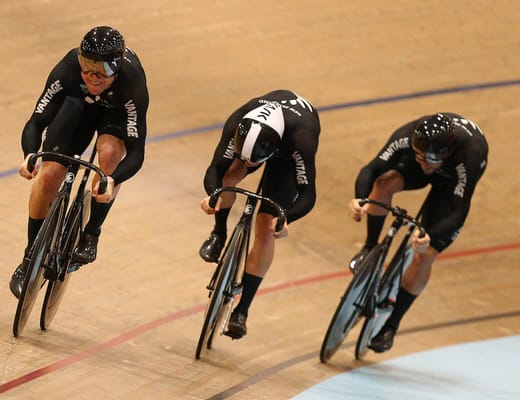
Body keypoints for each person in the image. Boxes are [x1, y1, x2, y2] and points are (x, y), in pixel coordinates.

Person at [9, 26, 149, 298]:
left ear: (117, 67)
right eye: (87, 66)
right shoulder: (68, 70)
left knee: (108, 154)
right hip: (79, 107)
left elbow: (136, 152)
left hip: (115, 116)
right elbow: (37, 120)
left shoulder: (132, 83)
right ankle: (29, 258)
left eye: (102, 70)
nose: (93, 76)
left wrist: (113, 180)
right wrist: (30, 153)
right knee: (49, 175)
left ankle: (91, 233)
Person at [348, 112, 488, 352]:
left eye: (429, 162)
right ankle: (369, 248)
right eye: (419, 157)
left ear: (446, 154)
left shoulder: (469, 154)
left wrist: (430, 236)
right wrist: (360, 198)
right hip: (436, 160)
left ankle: (391, 325)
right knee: (383, 184)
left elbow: (459, 210)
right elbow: (372, 168)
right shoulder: (409, 136)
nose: (423, 166)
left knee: (425, 254)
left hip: (453, 182)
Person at [199, 90, 321, 339]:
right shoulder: (238, 122)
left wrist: (287, 217)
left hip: (286, 157)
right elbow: (215, 169)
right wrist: (214, 195)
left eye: (256, 161)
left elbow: (308, 194)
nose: (250, 165)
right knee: (228, 178)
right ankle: (219, 233)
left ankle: (242, 310)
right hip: (259, 139)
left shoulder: (302, 139)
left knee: (266, 226)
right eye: (246, 158)